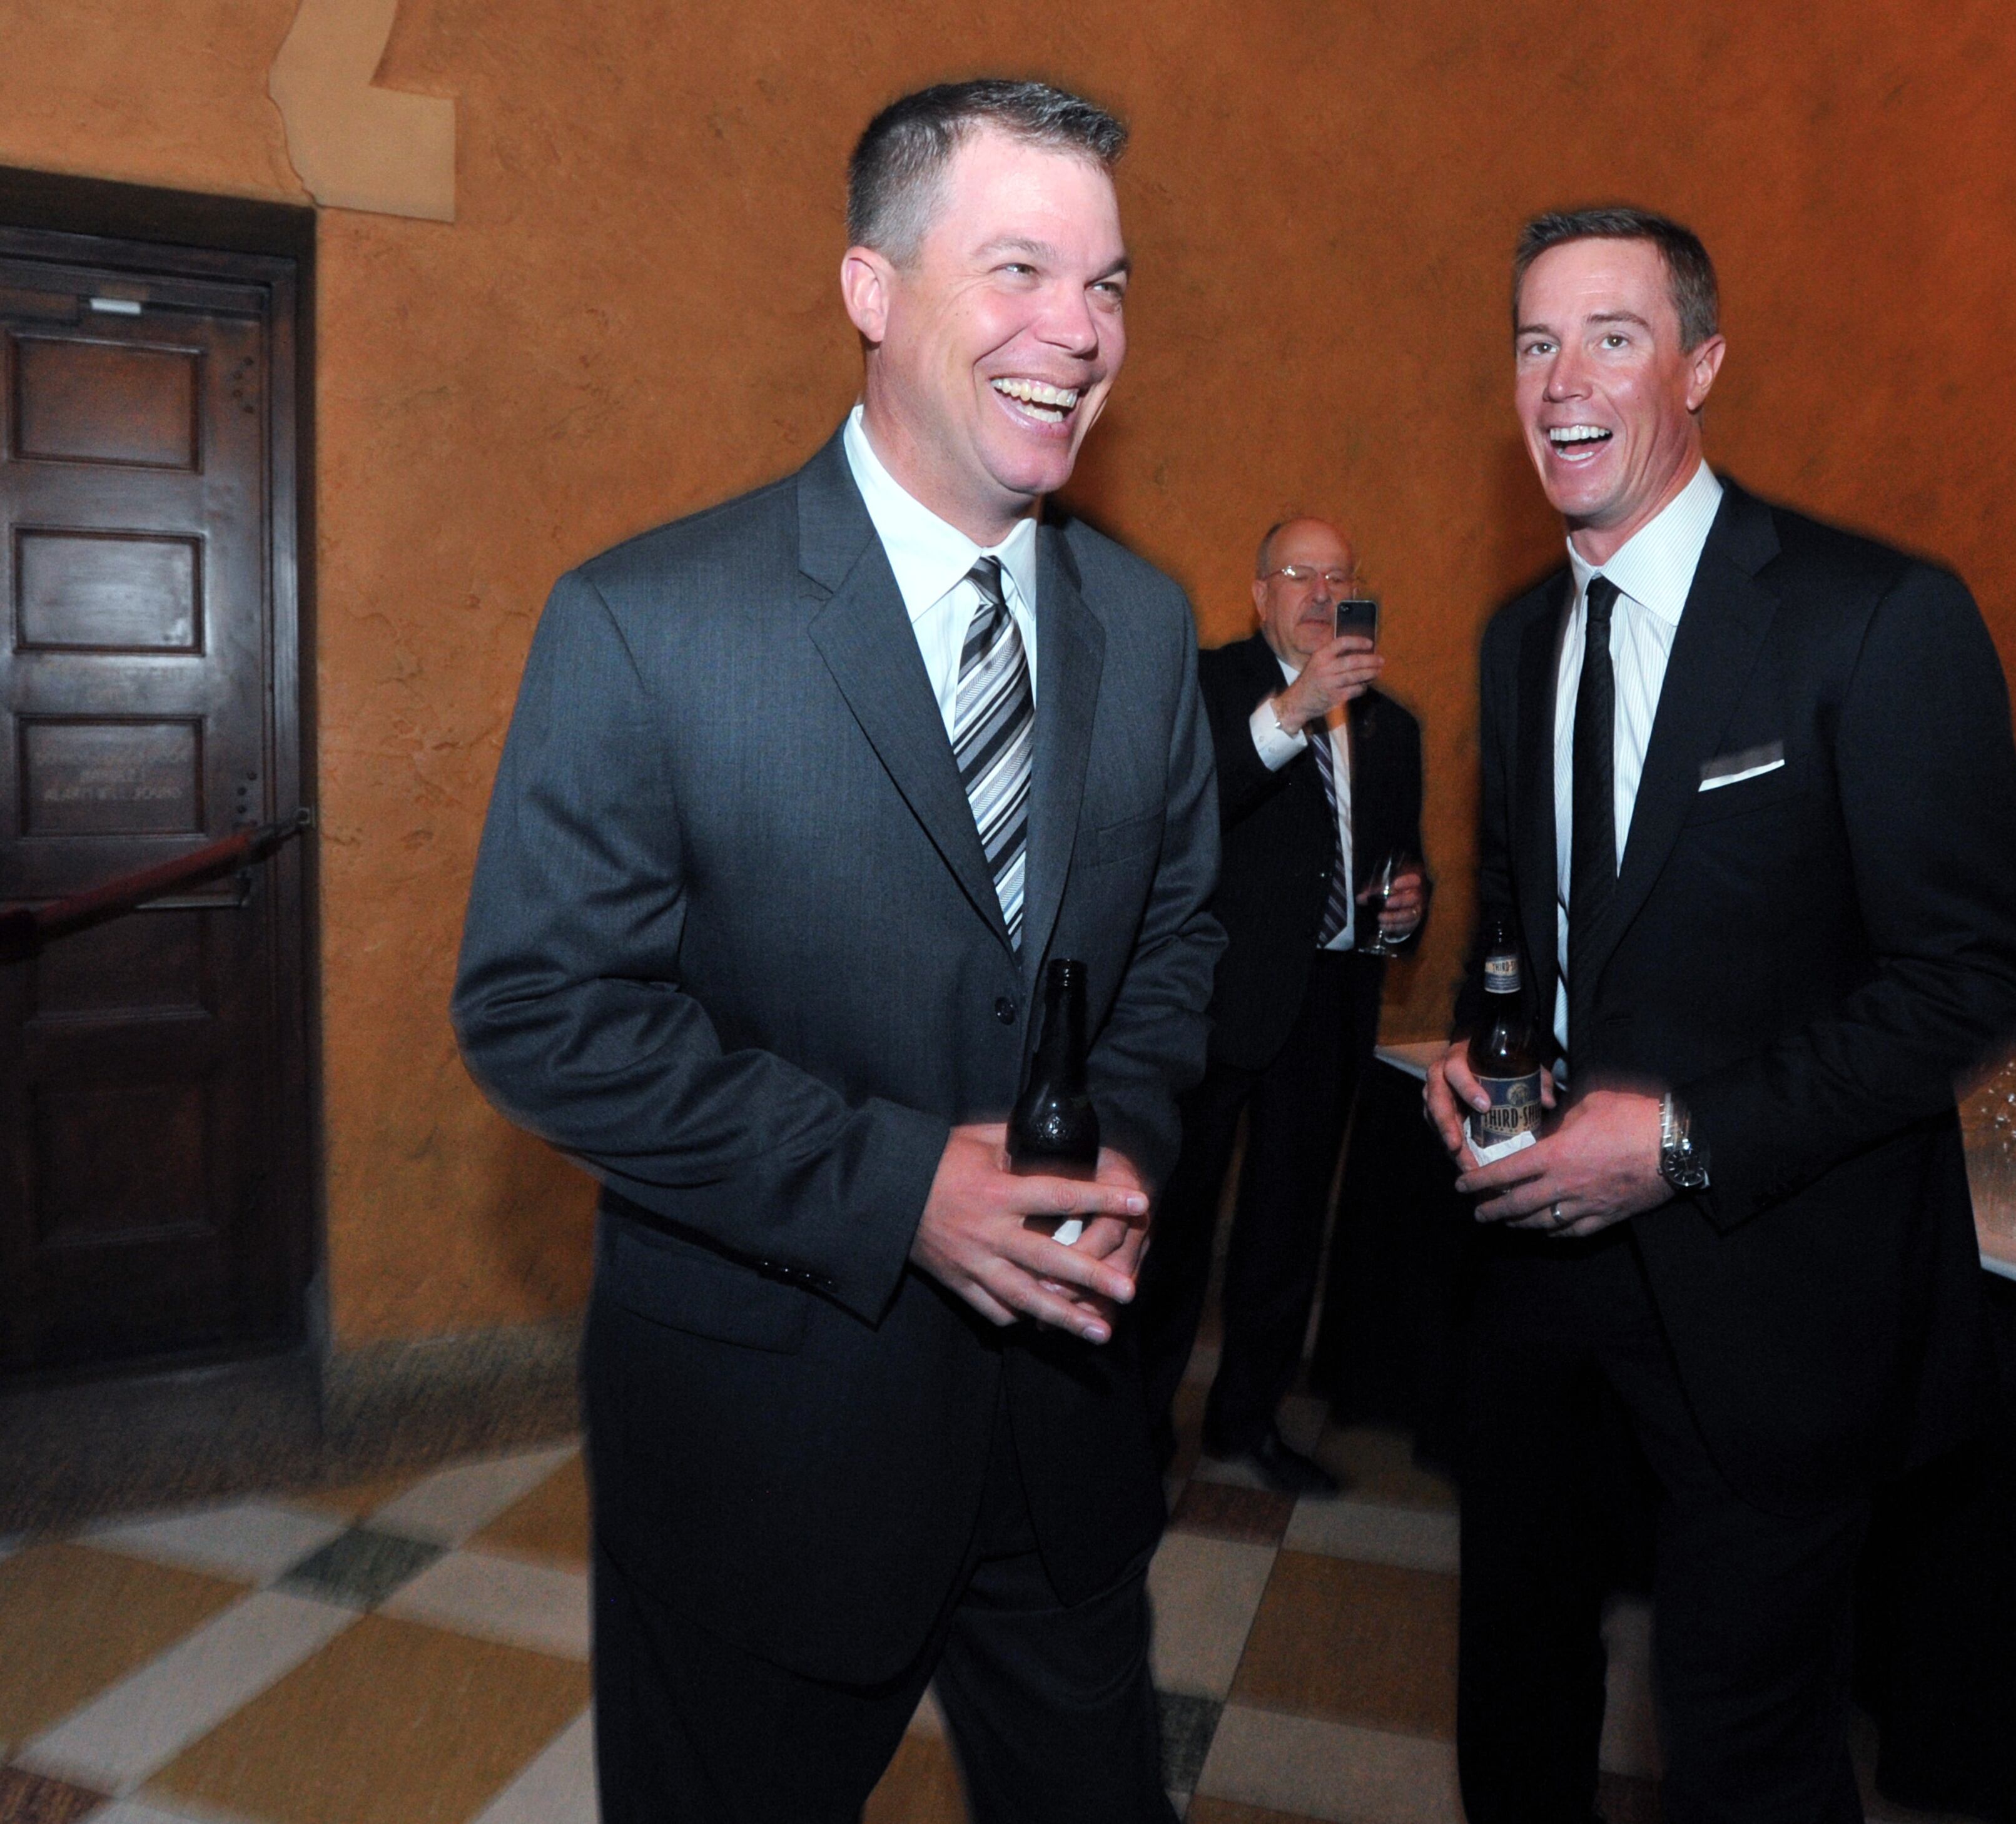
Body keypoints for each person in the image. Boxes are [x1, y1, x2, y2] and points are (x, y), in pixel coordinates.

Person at [451, 80, 1222, 1823]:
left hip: (1064, 1437)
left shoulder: (1152, 623)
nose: (1079, 332)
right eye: (1020, 266)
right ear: (871, 288)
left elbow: (1178, 939)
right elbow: (541, 1013)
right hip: (767, 1462)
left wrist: (1130, 1151)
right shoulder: (646, 622)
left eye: (1107, 284)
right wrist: (894, 1188)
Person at [1424, 207, 2016, 1823]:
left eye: (1613, 335)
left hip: (1776, 1276)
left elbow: (1967, 974)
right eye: (1535, 340)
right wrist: (1474, 1058)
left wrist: (1688, 1138)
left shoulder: (1872, 615)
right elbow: (1520, 932)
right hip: (1540, 1257)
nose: (1564, 379)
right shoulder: (1517, 634)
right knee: (1515, 1682)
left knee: (1742, 1736)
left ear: (1700, 362)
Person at [1133, 517, 1426, 1492]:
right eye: (1298, 573)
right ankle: (1133, 1431)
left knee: (1286, 1228)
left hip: (1332, 1005)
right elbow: (1186, 808)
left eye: (1339, 576)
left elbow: (1392, 869)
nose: (1319, 591)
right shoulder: (1209, 686)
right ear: (1260, 594)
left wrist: (1404, 910)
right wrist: (1290, 709)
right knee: (1174, 1233)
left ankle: (1244, 1423)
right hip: (1217, 1004)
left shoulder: (1393, 727)